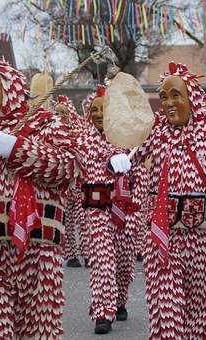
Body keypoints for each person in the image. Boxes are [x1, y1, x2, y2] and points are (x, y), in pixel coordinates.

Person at [110, 62, 206, 339]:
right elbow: (131, 153)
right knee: (165, 316)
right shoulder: (155, 131)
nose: (168, 103)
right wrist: (119, 158)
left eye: (175, 95)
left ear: (191, 96)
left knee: (199, 320)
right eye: (164, 96)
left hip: (205, 240)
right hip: (162, 238)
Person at [0, 55, 78, 338]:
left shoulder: (45, 125)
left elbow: (70, 167)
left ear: (10, 89)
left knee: (40, 331)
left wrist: (19, 149)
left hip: (40, 252)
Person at [79, 85, 149, 334]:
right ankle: (102, 312)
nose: (98, 114)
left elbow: (140, 175)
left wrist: (137, 209)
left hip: (125, 208)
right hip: (96, 207)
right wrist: (109, 157)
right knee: (103, 260)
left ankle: (119, 300)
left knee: (123, 262)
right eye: (94, 110)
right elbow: (87, 158)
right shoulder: (84, 139)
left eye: (104, 109)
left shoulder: (128, 139)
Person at [54, 95, 89, 268]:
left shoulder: (79, 131)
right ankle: (72, 255)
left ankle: (88, 253)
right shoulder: (54, 133)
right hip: (64, 184)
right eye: (57, 113)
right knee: (67, 221)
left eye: (63, 112)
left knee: (83, 219)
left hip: (81, 183)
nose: (60, 116)